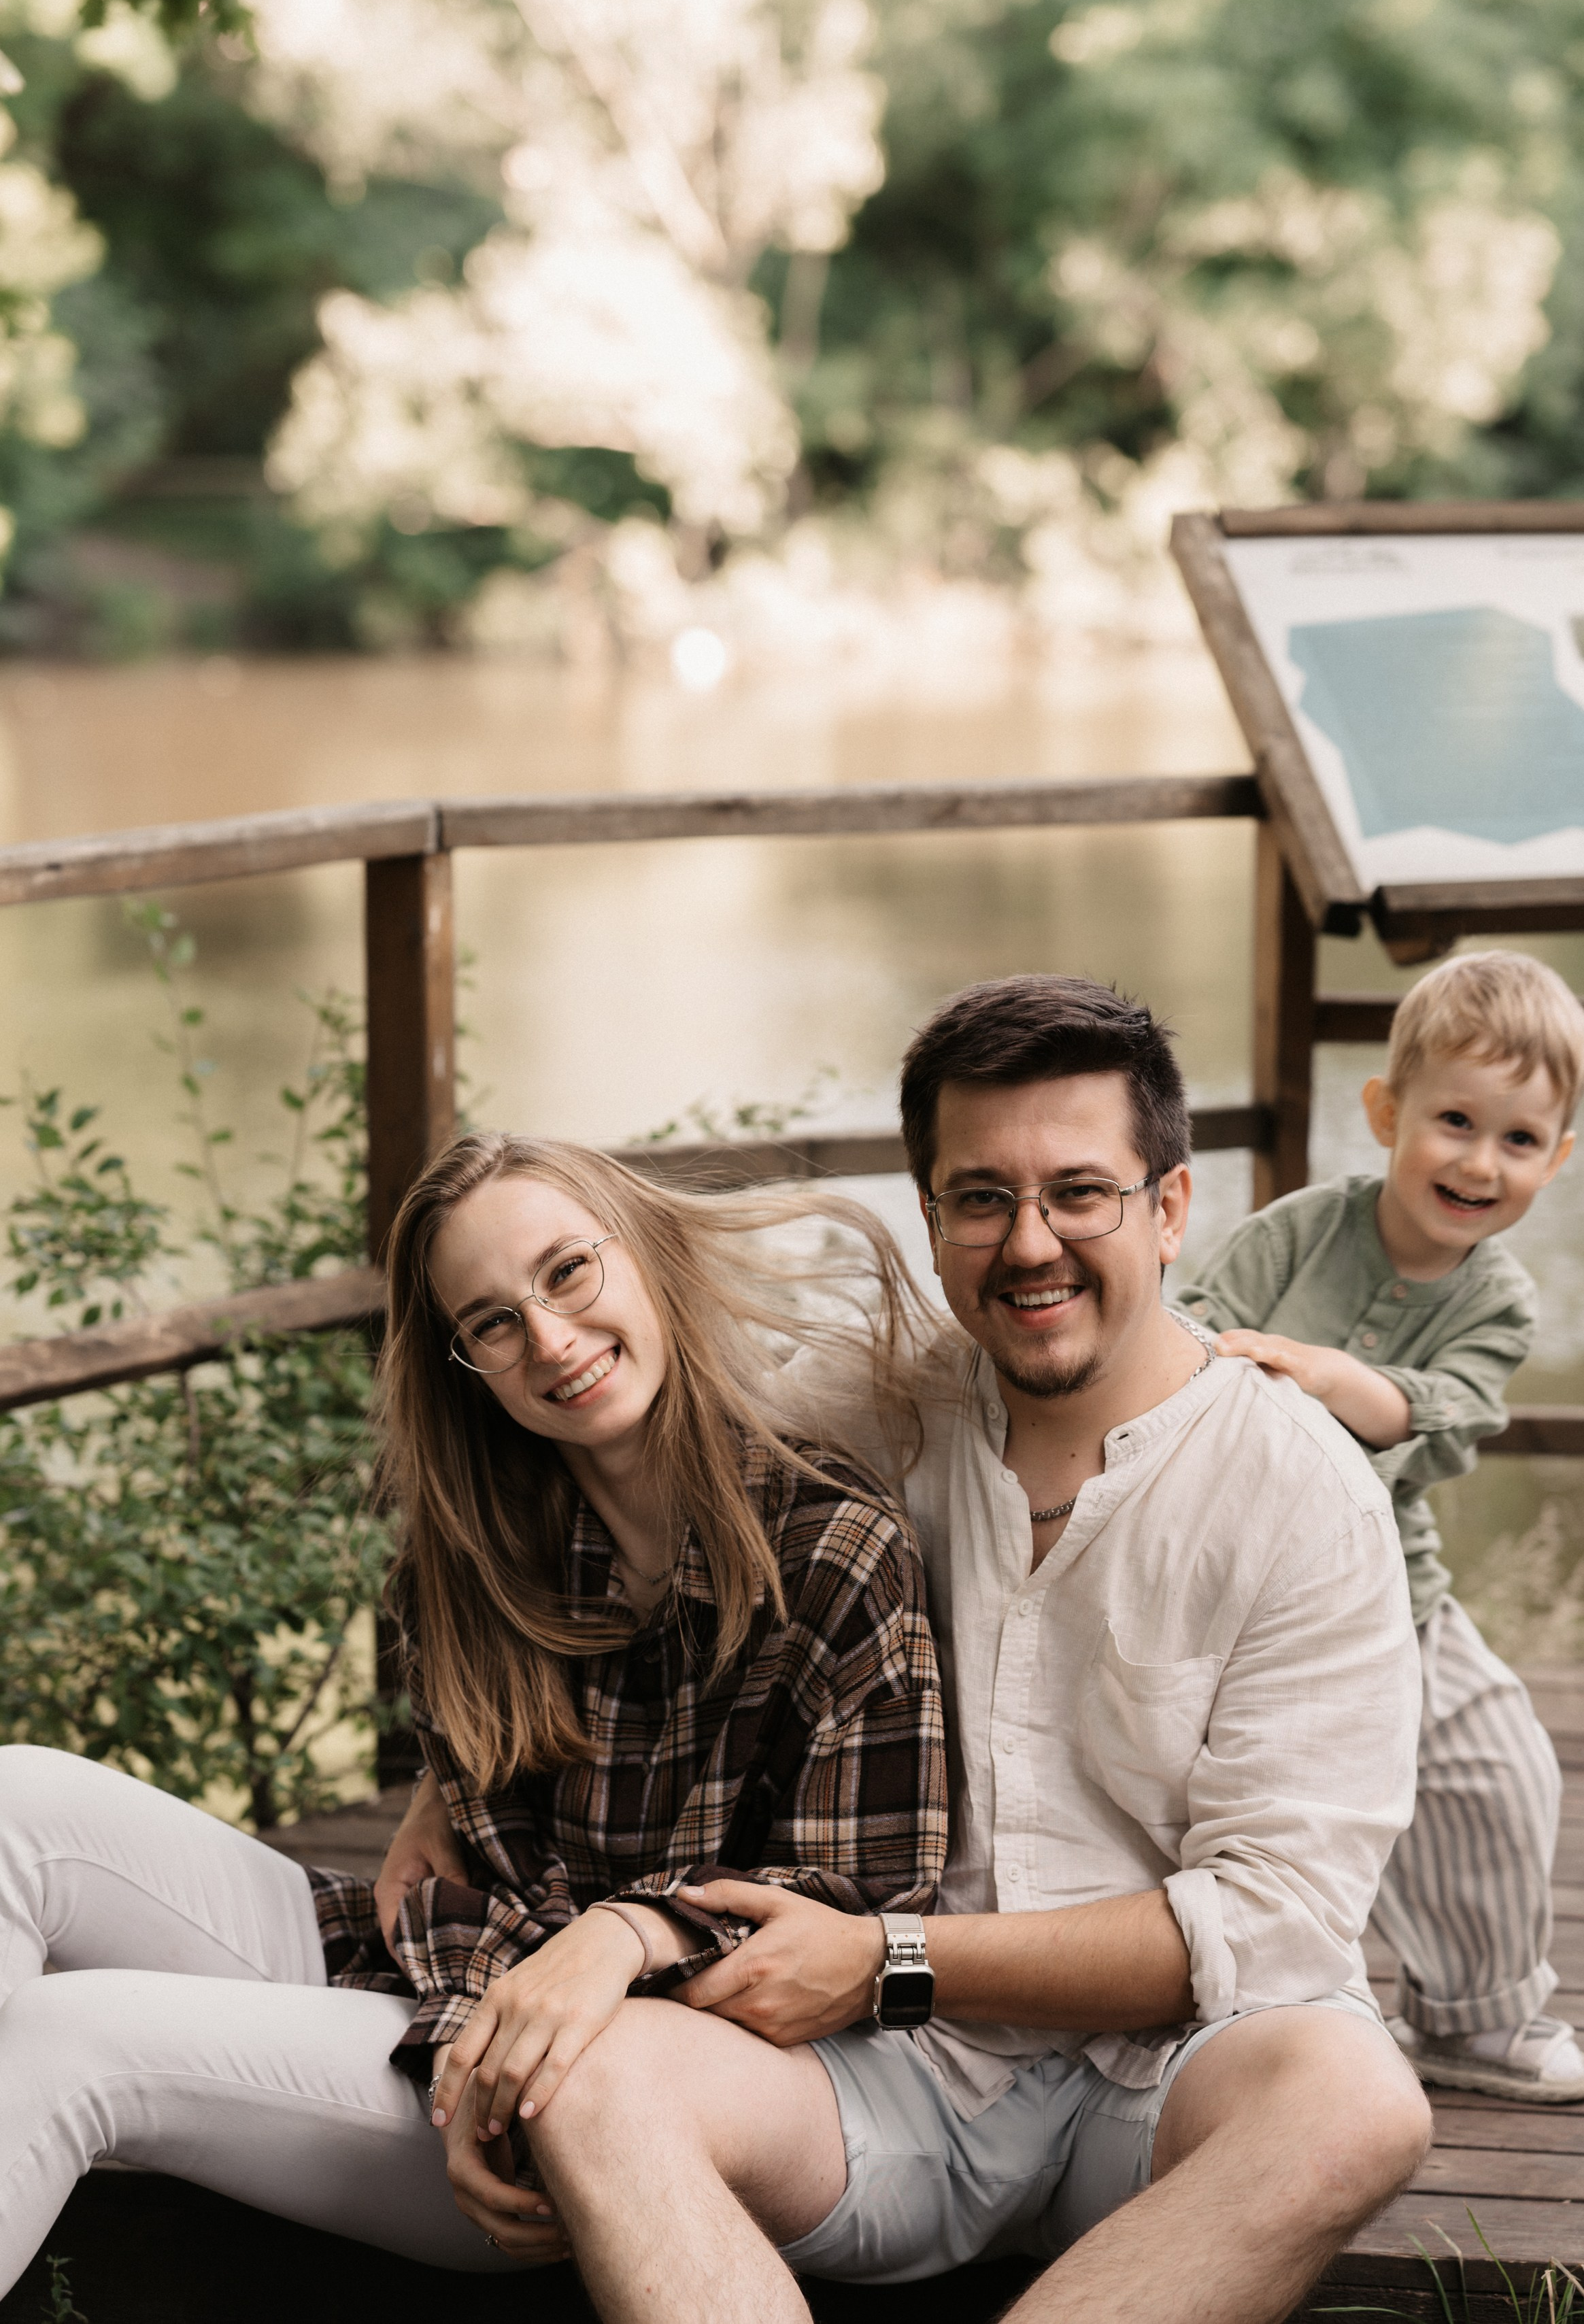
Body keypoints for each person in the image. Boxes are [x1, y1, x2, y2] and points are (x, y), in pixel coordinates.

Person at [449, 975, 1431, 2324]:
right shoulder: (869, 1412)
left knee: (1356, 2101)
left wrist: (901, 1954)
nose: (1030, 1242)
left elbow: (1271, 1921)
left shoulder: (1302, 1494)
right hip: (880, 2080)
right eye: (981, 1198)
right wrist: (446, 1804)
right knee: (599, 2074)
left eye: (1078, 1191)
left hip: (1164, 2089)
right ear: (931, 1217)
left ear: (1171, 1206)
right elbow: (599, 1463)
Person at [0, 1132, 946, 2297]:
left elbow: (854, 1921)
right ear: (465, 1364)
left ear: (643, 1251)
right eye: (492, 1322)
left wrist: (559, 1978)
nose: (548, 1340)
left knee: (69, 2042)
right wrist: (458, 1974)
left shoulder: (832, 1553)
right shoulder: (481, 1565)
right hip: (454, 1990)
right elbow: (483, 1888)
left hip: (614, 2091)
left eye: (567, 1272)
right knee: (14, 1803)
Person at [1176, 947, 1584, 2102]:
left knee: (1499, 1763)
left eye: (1516, 1140)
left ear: (1554, 1160)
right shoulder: (1298, 1231)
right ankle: (1228, 2013)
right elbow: (1191, 1337)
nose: (1477, 1160)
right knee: (1233, 1798)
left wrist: (1317, 1373)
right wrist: (1232, 1361)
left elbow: (1445, 1417)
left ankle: (1471, 2018)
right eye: (1453, 1120)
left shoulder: (1497, 1300)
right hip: (1234, 1587)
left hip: (1392, 1592)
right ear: (1386, 1110)